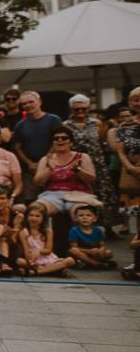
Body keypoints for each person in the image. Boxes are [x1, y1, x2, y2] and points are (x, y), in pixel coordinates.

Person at [66, 95, 116, 228]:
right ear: (71, 109)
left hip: (97, 163)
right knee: (83, 195)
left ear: (88, 108)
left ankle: (107, 227)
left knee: (103, 195)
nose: (80, 112)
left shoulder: (97, 123)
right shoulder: (65, 125)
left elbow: (102, 141)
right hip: (77, 164)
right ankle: (83, 226)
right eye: (77, 109)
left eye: (83, 108)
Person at [34, 126, 99, 219]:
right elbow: (38, 182)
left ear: (71, 142)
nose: (60, 140)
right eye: (56, 138)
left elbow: (92, 180)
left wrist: (78, 171)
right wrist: (50, 169)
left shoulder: (82, 157)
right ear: (52, 143)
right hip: (53, 195)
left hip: (78, 194)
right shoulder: (46, 159)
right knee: (36, 210)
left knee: (82, 214)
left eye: (64, 138)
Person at [14, 91, 64, 199]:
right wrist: (30, 163)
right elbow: (17, 147)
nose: (28, 105)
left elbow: (59, 141)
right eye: (24, 104)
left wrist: (44, 161)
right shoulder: (20, 125)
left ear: (40, 102)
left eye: (31, 102)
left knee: (54, 199)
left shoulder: (54, 120)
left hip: (51, 167)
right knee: (31, 201)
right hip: (29, 171)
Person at [108, 87, 140, 229]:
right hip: (131, 168)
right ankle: (136, 235)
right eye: (135, 100)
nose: (138, 103)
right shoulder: (125, 125)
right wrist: (129, 166)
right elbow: (120, 150)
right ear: (131, 103)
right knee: (135, 204)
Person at [16, 202, 75, 277]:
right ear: (27, 216)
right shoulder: (23, 232)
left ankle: (38, 272)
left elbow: (48, 250)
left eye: (38, 216)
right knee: (20, 261)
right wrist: (31, 261)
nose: (34, 218)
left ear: (43, 218)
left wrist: (39, 251)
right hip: (33, 259)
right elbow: (26, 251)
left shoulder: (48, 231)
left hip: (48, 258)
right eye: (31, 215)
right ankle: (52, 270)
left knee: (70, 260)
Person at [68, 204, 114, 269]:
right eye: (81, 215)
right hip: (82, 253)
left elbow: (102, 245)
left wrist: (100, 250)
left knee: (109, 252)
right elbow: (74, 247)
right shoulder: (74, 230)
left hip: (94, 254)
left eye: (88, 215)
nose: (84, 217)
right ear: (76, 218)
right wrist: (88, 251)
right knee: (73, 250)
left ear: (94, 218)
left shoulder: (98, 230)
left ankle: (88, 263)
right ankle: (97, 264)